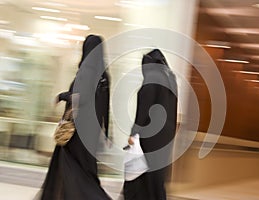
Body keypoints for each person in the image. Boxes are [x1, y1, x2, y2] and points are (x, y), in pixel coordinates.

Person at [36, 35, 111, 200]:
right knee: (85, 171)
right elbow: (106, 106)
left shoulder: (86, 71)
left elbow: (80, 97)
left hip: (76, 132)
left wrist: (62, 95)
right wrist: (105, 133)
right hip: (92, 134)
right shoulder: (104, 76)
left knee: (72, 169)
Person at [123, 49, 178, 200]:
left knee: (140, 172)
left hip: (151, 134)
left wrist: (134, 132)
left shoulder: (152, 78)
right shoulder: (170, 77)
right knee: (156, 175)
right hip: (166, 134)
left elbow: (144, 108)